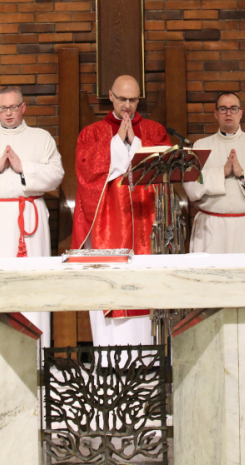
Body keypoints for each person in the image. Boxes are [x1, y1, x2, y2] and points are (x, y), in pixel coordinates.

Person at [0, 86, 64, 346]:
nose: (8, 113)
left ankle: (36, 350)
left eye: (13, 107)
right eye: (3, 108)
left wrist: (22, 167)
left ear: (23, 107)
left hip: (29, 217)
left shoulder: (41, 138)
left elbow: (56, 174)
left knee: (32, 284)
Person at [72, 74, 171, 346]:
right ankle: (109, 357)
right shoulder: (91, 133)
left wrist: (135, 145)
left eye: (133, 100)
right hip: (107, 224)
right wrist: (117, 142)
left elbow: (164, 167)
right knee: (109, 284)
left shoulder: (154, 131)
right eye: (122, 99)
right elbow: (85, 171)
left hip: (146, 221)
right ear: (110, 96)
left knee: (146, 286)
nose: (127, 105)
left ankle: (150, 356)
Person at [184, 92, 245, 254]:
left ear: (241, 113)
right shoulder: (201, 146)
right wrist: (221, 172)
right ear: (216, 114)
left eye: (233, 108)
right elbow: (190, 186)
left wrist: (242, 174)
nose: (228, 113)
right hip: (210, 227)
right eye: (223, 109)